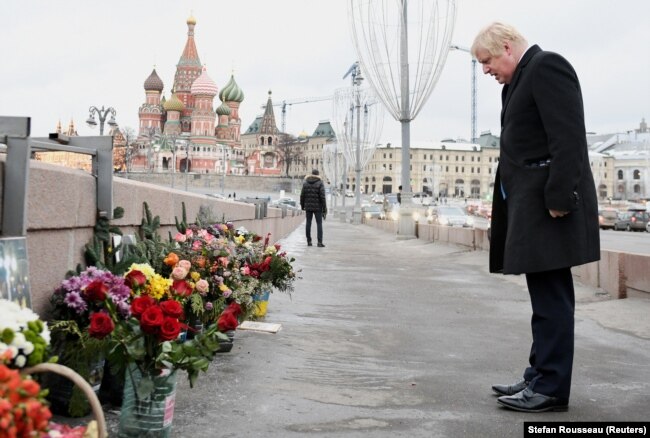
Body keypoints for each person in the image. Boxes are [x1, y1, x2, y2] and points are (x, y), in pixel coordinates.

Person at [471, 22, 600, 413]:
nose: (486, 70)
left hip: (551, 206)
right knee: (543, 296)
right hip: (533, 206)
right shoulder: (517, 81)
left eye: (487, 60)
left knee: (552, 299)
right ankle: (538, 375)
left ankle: (551, 387)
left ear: (507, 47)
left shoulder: (547, 67)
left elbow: (569, 137)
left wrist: (560, 196)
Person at [300, 169, 327, 247]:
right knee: (319, 224)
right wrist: (324, 208)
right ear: (318, 175)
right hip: (318, 207)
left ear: (311, 174)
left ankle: (309, 241)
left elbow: (302, 196)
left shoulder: (305, 183)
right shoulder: (320, 183)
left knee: (308, 223)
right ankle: (319, 242)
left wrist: (302, 206)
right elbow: (322, 197)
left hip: (308, 207)